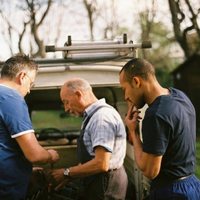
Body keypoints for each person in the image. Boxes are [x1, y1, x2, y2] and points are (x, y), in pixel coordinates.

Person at [119, 58, 200, 200]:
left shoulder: (156, 114)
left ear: (136, 82)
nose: (125, 97)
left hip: (172, 192)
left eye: (124, 89)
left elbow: (150, 171)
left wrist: (133, 131)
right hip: (193, 185)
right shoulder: (180, 96)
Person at [50, 78, 128, 200]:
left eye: (66, 102)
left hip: (105, 186)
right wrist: (67, 178)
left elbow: (101, 163)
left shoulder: (101, 118)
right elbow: (91, 158)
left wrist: (66, 172)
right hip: (98, 181)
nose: (66, 108)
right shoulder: (92, 116)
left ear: (78, 94)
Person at [0, 54, 59, 200]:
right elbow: (34, 154)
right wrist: (51, 155)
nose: (29, 90)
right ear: (22, 76)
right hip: (7, 189)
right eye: (31, 84)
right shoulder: (11, 98)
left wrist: (26, 169)